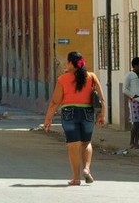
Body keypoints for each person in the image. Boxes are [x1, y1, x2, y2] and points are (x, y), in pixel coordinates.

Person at [41, 50, 104, 186]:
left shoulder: (63, 79)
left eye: (67, 61)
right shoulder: (91, 76)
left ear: (70, 63)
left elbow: (55, 102)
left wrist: (48, 119)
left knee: (73, 145)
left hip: (69, 112)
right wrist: (102, 114)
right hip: (87, 112)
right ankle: (87, 169)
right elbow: (102, 99)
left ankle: (76, 178)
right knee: (86, 142)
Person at [122, 57, 139, 149]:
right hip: (135, 102)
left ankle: (136, 142)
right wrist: (134, 96)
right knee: (135, 123)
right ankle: (131, 142)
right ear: (135, 66)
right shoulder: (129, 76)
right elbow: (124, 89)